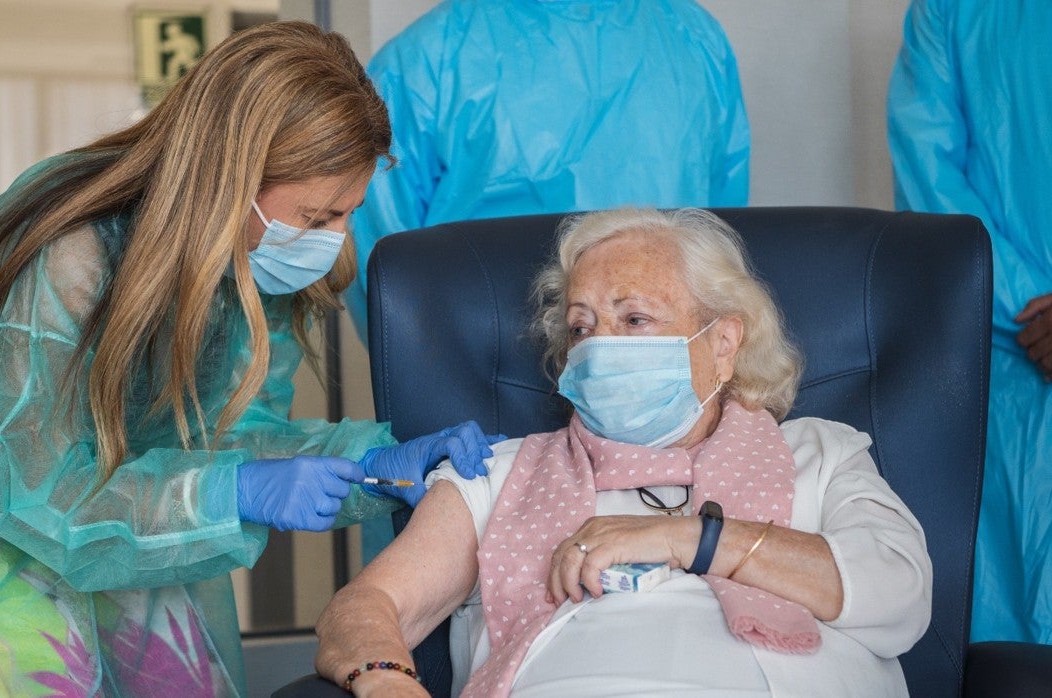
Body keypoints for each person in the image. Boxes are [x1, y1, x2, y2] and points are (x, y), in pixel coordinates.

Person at [0, 21, 499, 697]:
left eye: (348, 213)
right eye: (317, 215)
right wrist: (232, 490)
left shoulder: (252, 267)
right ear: (229, 177)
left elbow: (231, 431)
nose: (335, 242)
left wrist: (372, 461)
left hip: (115, 495)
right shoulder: (70, 254)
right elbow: (37, 491)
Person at [316, 208, 932, 697]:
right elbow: (367, 608)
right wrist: (385, 680)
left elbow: (900, 593)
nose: (599, 346)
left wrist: (691, 540)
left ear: (722, 344)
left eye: (634, 318)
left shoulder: (819, 454)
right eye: (582, 327)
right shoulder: (498, 474)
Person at [342, 0, 751, 344]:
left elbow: (715, 238)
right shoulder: (426, 61)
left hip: (663, 361)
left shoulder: (696, 39)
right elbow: (383, 268)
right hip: (489, 364)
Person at [887, 0, 1052, 643]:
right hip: (1001, 372)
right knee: (1003, 647)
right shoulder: (950, 10)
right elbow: (929, 176)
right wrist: (1032, 308)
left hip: (1007, 339)